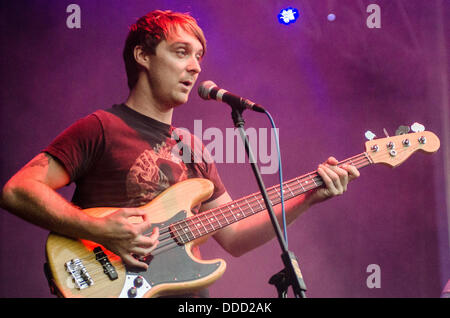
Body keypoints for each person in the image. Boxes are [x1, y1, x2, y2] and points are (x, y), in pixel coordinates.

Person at [0, 10, 360, 297]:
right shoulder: (101, 127)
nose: (196, 66)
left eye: (199, 56)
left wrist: (309, 197)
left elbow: (234, 237)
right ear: (143, 55)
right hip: (108, 283)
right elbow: (17, 190)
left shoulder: (192, 146)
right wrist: (99, 229)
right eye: (181, 52)